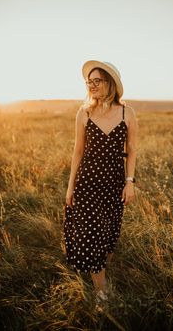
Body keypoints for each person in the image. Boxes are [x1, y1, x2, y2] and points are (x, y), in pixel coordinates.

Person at [64, 60, 137, 307]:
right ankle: (102, 293)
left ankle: (100, 268)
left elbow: (133, 150)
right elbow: (77, 152)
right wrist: (70, 186)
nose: (92, 85)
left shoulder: (127, 113)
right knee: (93, 234)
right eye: (89, 81)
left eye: (97, 81)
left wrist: (130, 182)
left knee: (108, 235)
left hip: (114, 184)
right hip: (88, 183)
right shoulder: (83, 113)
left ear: (111, 84)